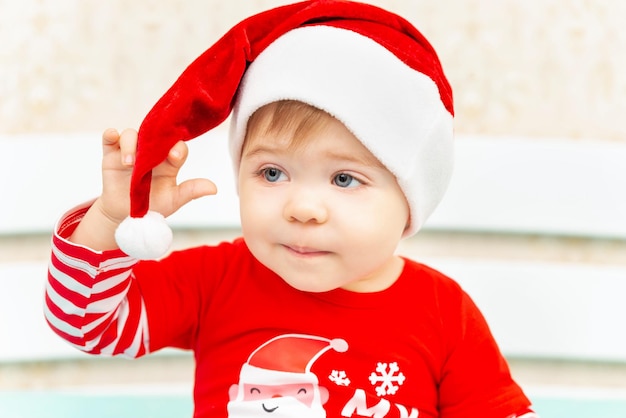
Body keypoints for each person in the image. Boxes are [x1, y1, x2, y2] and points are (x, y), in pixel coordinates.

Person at [44, 1, 538, 417]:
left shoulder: (443, 313)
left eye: (345, 179)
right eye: (272, 173)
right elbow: (86, 323)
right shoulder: (216, 281)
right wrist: (112, 219)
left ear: (411, 200)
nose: (302, 208)